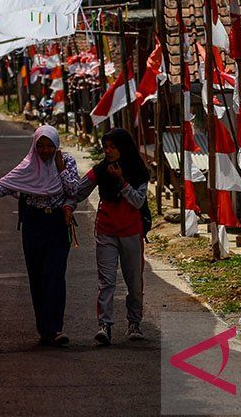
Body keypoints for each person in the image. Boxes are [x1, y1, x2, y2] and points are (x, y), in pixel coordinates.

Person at [0, 125, 79, 347]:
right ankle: (44, 328)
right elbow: (5, 184)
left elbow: (73, 190)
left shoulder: (66, 162)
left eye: (50, 146)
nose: (45, 151)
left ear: (56, 145)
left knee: (56, 275)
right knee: (38, 276)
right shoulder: (28, 165)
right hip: (34, 224)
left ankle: (56, 328)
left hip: (57, 225)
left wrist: (60, 168)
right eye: (40, 146)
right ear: (34, 146)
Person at [73, 128, 149, 345]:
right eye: (105, 147)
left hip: (131, 232)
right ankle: (104, 325)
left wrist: (122, 181)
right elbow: (79, 190)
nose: (108, 151)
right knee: (106, 281)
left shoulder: (139, 171)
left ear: (123, 148)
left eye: (112, 147)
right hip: (106, 231)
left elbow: (138, 201)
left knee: (134, 281)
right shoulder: (100, 170)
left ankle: (134, 322)